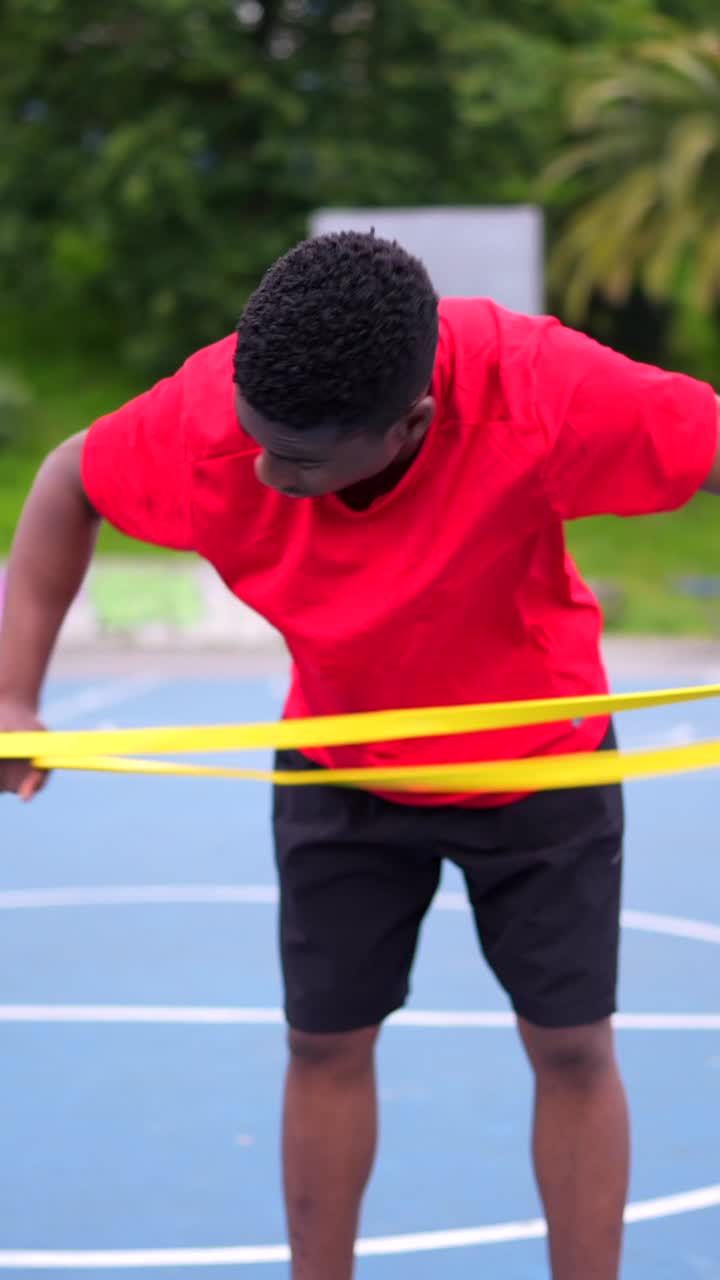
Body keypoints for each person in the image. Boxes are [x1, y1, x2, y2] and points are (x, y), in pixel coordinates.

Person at [0, 231, 718, 1280]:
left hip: (539, 759)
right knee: (324, 1042)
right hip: (341, 757)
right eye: (255, 437)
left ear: (409, 425)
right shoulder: (212, 420)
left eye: (296, 460)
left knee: (571, 1046)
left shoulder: (540, 389)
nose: (261, 470)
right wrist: (14, 694)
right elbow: (70, 477)